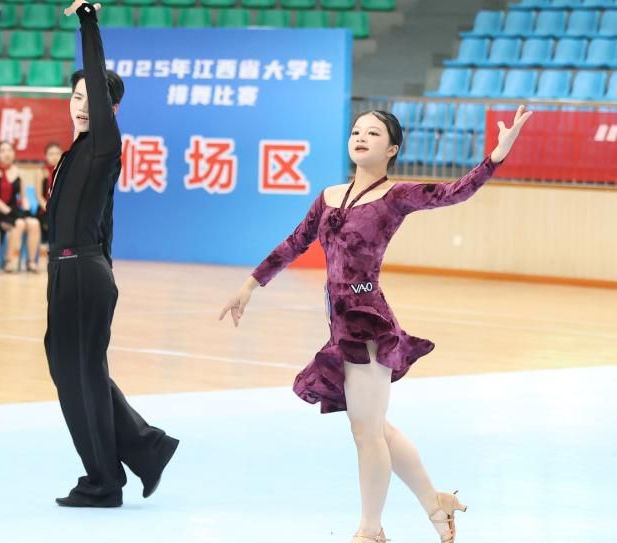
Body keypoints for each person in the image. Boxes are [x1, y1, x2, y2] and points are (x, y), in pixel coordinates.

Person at [220, 107, 533, 543]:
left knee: (366, 432)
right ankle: (435, 503)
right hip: (338, 323)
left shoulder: (396, 195)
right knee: (376, 427)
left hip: (367, 323)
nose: (360, 137)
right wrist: (251, 284)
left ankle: (370, 531)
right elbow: (295, 242)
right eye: (356, 131)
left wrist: (496, 155)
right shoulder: (329, 196)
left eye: (372, 133)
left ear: (392, 149)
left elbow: (455, 192)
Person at [44, 0, 179, 509]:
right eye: (77, 96)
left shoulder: (104, 143)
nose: (83, 105)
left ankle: (104, 481)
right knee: (73, 369)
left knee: (80, 375)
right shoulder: (77, 153)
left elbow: (98, 90)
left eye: (94, 98)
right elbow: (104, 220)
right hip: (74, 272)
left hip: (81, 271)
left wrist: (88, 21)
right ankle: (146, 447)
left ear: (111, 110)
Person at [0, 141, 41, 273]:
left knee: (34, 223)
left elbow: (23, 197)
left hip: (15, 210)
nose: (7, 154)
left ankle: (31, 262)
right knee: (19, 224)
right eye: (3, 151)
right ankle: (9, 261)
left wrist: (27, 209)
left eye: (10, 150)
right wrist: (11, 212)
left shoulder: (19, 172)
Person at [36, 142, 62, 245]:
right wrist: (50, 210)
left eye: (57, 153)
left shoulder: (66, 171)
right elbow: (38, 196)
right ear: (45, 156)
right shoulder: (41, 172)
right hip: (45, 210)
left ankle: (66, 253)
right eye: (51, 154)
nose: (54, 157)